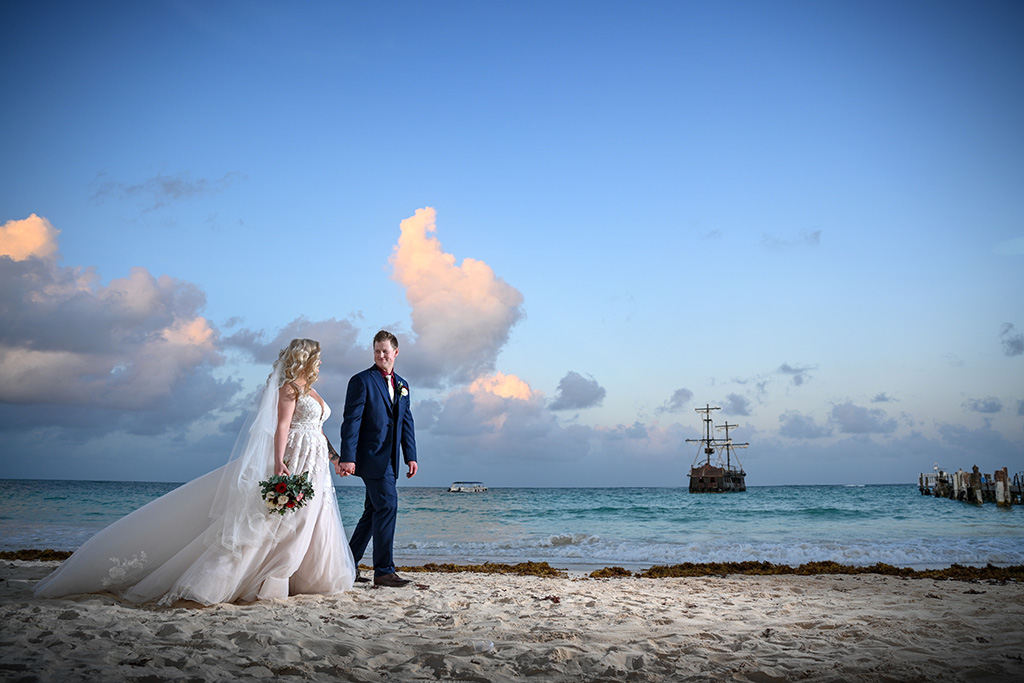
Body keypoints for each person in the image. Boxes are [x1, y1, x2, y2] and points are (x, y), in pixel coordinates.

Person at [34, 339, 356, 605]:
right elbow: (281, 427)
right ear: (306, 358)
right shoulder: (289, 389)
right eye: (318, 358)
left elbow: (317, 428)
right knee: (280, 521)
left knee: (311, 518)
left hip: (315, 462)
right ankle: (259, 580)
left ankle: (306, 577)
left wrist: (335, 458)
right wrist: (278, 462)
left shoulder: (311, 390)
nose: (320, 363)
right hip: (294, 458)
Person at [334, 330, 417, 587]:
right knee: (388, 505)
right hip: (370, 458)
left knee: (372, 512)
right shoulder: (361, 380)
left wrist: (410, 456)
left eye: (385, 351)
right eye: (376, 351)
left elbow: (406, 422)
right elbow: (351, 421)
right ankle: (384, 571)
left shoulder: (403, 384)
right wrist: (347, 457)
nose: (381, 355)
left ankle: (347, 565)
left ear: (396, 353)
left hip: (391, 460)